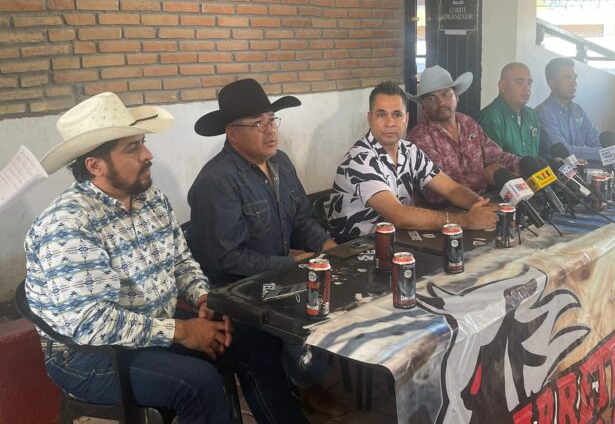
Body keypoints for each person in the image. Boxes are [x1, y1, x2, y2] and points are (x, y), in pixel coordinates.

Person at [25, 92, 307, 424]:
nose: (148, 155)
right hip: (89, 355)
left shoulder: (152, 200)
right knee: (199, 384)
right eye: (132, 148)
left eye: (142, 144)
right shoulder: (68, 224)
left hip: (155, 323)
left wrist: (203, 297)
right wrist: (182, 331)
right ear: (95, 165)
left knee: (258, 344)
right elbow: (91, 323)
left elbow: (181, 262)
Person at [187, 78, 345, 416]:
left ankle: (304, 377)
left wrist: (328, 246)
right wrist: (291, 264)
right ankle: (301, 381)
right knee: (306, 310)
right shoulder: (217, 181)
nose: (270, 130)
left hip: (278, 274)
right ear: (232, 133)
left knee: (337, 291)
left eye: (272, 120)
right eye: (258, 124)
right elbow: (227, 259)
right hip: (237, 290)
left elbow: (302, 220)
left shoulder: (281, 162)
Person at [328, 81, 498, 240]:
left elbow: (452, 189)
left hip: (397, 242)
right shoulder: (360, 160)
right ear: (370, 118)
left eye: (397, 114)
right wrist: (467, 221)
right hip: (356, 250)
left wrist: (483, 207)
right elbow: (398, 215)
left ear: (406, 119)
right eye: (381, 115)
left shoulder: (409, 151)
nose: (390, 123)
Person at [406, 65, 520, 203]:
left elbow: (494, 155)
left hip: (483, 201)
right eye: (431, 98)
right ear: (423, 104)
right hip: (447, 211)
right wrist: (484, 176)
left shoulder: (468, 123)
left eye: (446, 94)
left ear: (457, 96)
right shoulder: (419, 138)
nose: (441, 102)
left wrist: (521, 163)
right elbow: (436, 190)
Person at [535, 57, 603, 161]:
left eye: (575, 77)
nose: (574, 83)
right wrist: (602, 153)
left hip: (582, 169)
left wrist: (612, 151)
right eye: (568, 78)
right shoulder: (543, 112)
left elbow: (597, 140)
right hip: (556, 170)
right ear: (552, 83)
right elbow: (562, 150)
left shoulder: (578, 110)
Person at [477, 62, 540, 158]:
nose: (527, 88)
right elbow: (493, 161)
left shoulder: (532, 114)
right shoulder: (491, 117)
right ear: (502, 86)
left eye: (529, 83)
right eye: (520, 82)